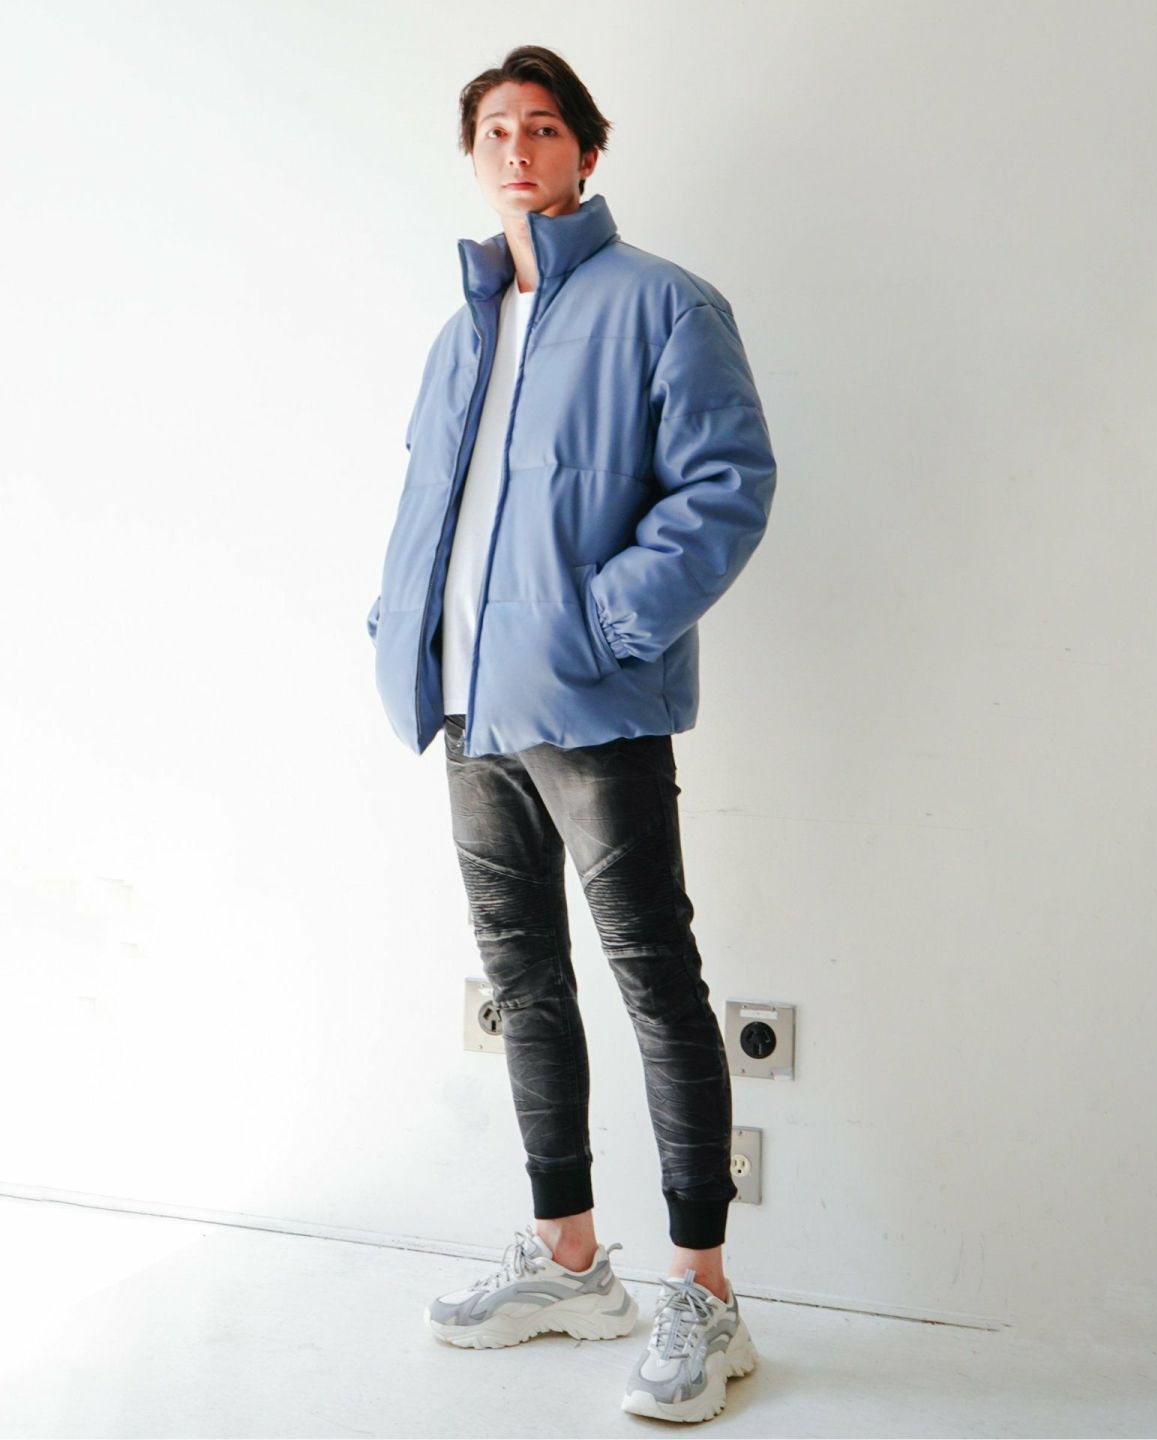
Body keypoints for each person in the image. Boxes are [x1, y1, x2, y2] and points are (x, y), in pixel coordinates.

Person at [367, 44, 775, 1424]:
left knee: (656, 981)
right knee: (525, 985)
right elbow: (432, 511)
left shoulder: (664, 303)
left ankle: (705, 1294)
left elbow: (727, 485)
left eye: (543, 127)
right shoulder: (462, 331)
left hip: (593, 706)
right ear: (475, 156)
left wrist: (606, 624)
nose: (518, 148)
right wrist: (402, 631)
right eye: (496, 129)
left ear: (585, 154)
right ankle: (569, 1262)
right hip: (469, 706)